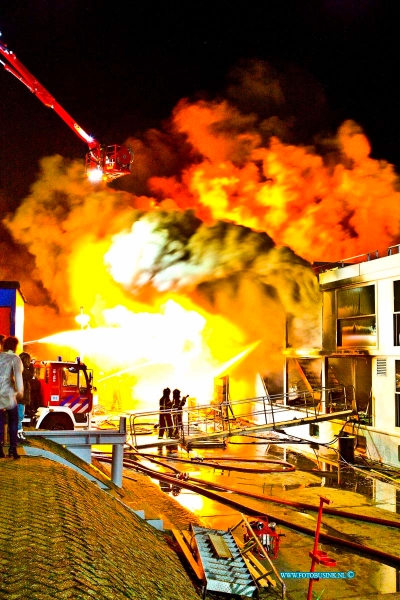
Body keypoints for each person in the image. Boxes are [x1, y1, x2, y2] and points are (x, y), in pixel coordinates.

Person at [0, 336, 24, 459]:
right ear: (14, 346)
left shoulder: (0, 356)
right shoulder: (15, 358)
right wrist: (20, 391)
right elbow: (18, 376)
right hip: (9, 396)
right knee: (13, 420)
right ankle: (13, 449)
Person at [18, 351, 34, 442]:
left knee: (19, 416)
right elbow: (31, 375)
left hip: (19, 397)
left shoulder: (19, 368)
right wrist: (32, 365)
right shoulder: (22, 369)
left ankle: (19, 433)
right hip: (20, 398)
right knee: (19, 416)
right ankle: (18, 435)